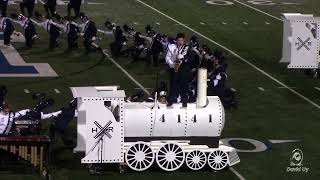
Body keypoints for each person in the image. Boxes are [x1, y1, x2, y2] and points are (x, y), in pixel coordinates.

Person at [166, 33, 191, 107]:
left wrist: (182, 57)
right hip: (174, 68)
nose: (180, 42)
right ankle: (170, 100)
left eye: (182, 40)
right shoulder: (172, 47)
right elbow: (167, 57)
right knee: (173, 84)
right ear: (176, 41)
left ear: (184, 41)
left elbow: (186, 57)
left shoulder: (186, 48)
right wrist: (171, 64)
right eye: (179, 40)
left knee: (184, 85)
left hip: (183, 69)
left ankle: (184, 101)